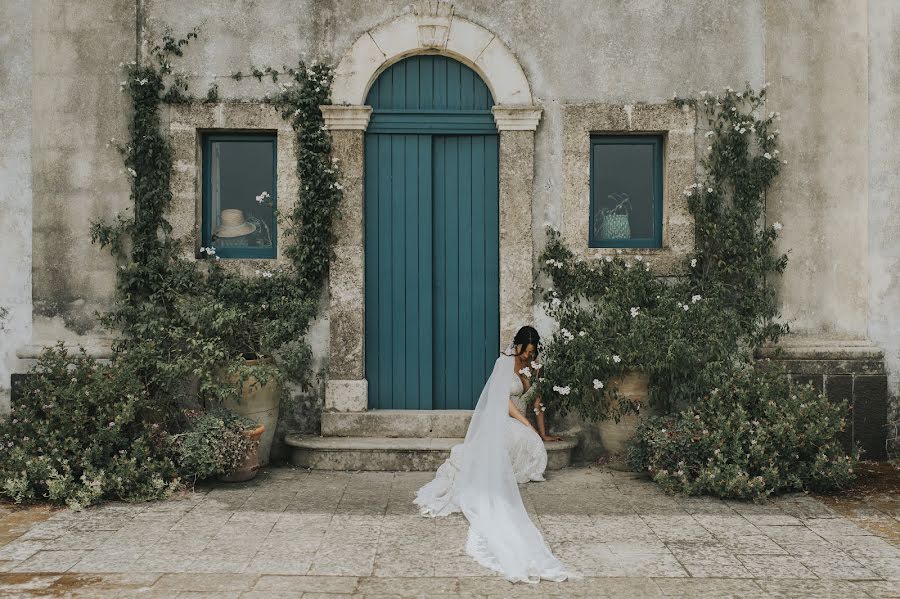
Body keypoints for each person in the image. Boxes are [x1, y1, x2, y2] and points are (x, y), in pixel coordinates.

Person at [414, 326, 578, 583]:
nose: (528, 356)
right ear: (519, 346)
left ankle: (518, 464)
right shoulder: (504, 363)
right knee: (512, 440)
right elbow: (505, 402)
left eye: (533, 352)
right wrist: (527, 426)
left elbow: (537, 403)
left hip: (523, 421)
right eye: (526, 351)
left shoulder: (536, 368)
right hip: (503, 418)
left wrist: (542, 433)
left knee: (532, 444)